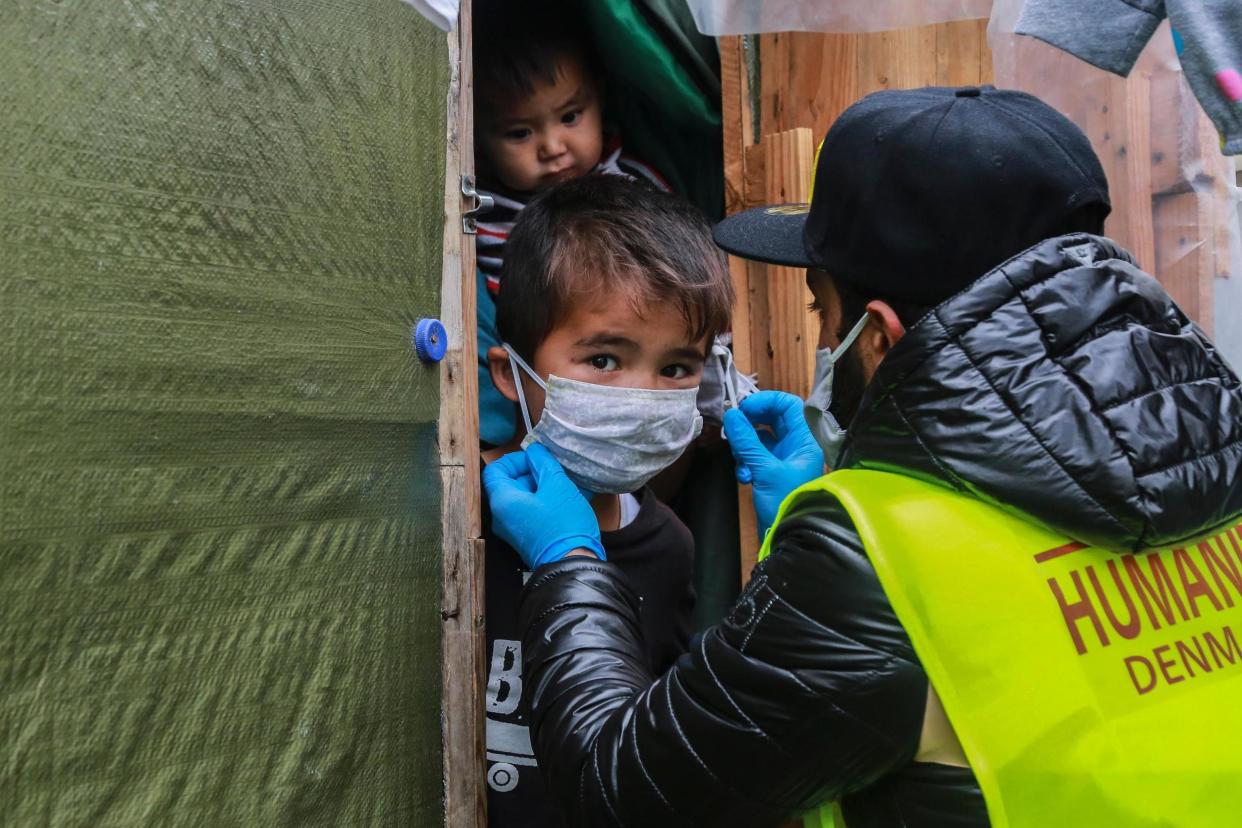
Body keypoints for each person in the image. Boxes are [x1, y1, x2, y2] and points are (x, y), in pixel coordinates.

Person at [483, 85, 1242, 827]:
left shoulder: (881, 563)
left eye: (821, 308)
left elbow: (629, 788)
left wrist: (568, 562)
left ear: (876, 340)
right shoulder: (1214, 484)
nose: (817, 337)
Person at [480, 174, 733, 826]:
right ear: (511, 373)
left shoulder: (669, 546)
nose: (642, 394)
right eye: (604, 359)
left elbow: (654, 746)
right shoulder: (458, 523)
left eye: (676, 368)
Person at [472, 0, 669, 447]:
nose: (552, 146)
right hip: (537, 391)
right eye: (520, 133)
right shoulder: (481, 213)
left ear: (599, 98)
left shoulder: (633, 189)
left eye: (569, 116)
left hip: (630, 375)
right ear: (481, 138)